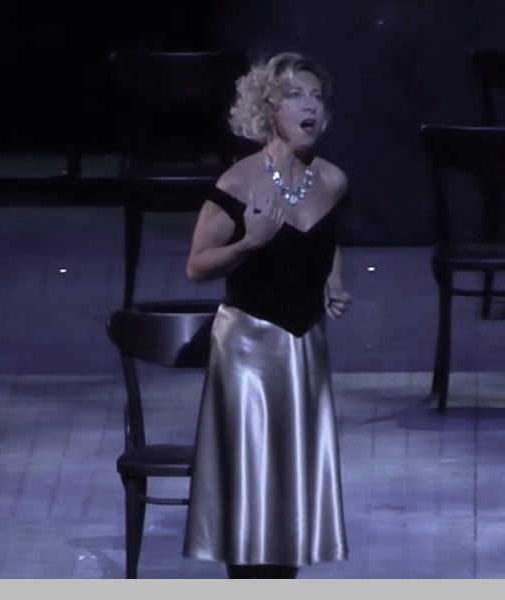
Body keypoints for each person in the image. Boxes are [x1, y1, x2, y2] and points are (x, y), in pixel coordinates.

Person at [181, 52, 352, 579]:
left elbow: (326, 238)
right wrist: (248, 244)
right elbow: (197, 266)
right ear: (269, 108)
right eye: (296, 96)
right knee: (252, 493)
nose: (310, 107)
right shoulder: (238, 183)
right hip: (249, 352)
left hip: (305, 350)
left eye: (316, 97)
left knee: (292, 493)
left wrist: (332, 279)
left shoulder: (332, 180)